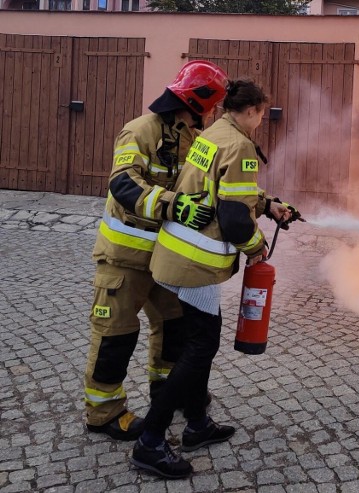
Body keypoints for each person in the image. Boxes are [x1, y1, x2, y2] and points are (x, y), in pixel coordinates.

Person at [129, 79, 297, 478]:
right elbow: (236, 219)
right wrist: (257, 248)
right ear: (253, 111)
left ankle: (197, 426)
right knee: (201, 346)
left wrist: (268, 204)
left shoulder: (212, 134)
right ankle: (150, 441)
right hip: (195, 264)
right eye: (261, 114)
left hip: (175, 254)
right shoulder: (240, 146)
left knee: (198, 342)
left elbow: (222, 192)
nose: (261, 122)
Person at [84, 60, 228, 441]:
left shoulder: (196, 140)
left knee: (174, 330)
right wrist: (172, 205)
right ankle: (104, 412)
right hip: (124, 259)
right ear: (199, 100)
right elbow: (123, 184)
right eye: (212, 105)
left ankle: (169, 394)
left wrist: (259, 203)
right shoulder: (140, 131)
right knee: (116, 335)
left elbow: (213, 184)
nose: (213, 113)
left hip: (167, 260)